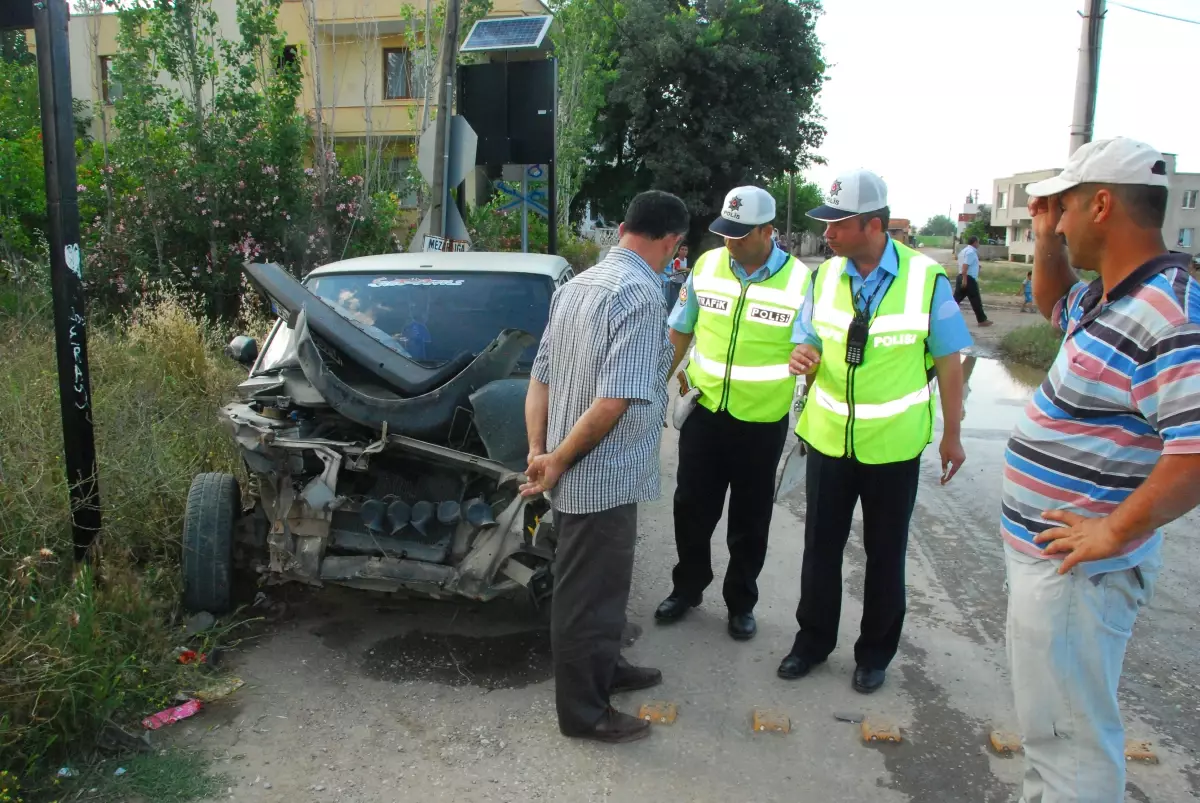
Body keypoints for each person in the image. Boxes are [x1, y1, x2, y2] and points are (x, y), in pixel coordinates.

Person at [1003, 137, 1200, 802]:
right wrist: (1042, 235)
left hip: (1079, 574)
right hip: (1052, 563)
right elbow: (1051, 303)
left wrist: (1112, 532)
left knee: (1071, 749)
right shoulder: (1107, 297)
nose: (1056, 222)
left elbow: (1196, 450)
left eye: (1064, 208)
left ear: (1103, 204)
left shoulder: (1168, 312)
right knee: (1049, 735)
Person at [778, 169, 970, 693]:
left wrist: (953, 434)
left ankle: (874, 654)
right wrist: (805, 356)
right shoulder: (824, 278)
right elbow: (808, 339)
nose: (829, 233)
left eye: (839, 224)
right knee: (820, 547)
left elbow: (950, 362)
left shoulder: (926, 279)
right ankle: (812, 643)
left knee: (886, 554)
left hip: (893, 446)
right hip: (828, 439)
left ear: (874, 224)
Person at [522, 190, 690, 744]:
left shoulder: (575, 287)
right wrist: (559, 459)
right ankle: (584, 713)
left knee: (603, 589)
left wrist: (539, 452)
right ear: (670, 243)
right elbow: (615, 401)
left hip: (571, 469)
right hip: (600, 476)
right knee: (587, 598)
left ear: (622, 228)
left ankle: (607, 669)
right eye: (675, 249)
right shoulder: (642, 294)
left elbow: (539, 377)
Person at [654, 186, 809, 641]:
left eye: (741, 235)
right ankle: (687, 588)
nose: (731, 243)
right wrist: (654, 384)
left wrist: (808, 362)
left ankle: (741, 603)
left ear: (768, 231)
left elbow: (811, 344)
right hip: (704, 412)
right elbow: (680, 330)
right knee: (691, 508)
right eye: (726, 233)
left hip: (761, 422)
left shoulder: (800, 280)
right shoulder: (707, 266)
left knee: (750, 518)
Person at [954, 235, 992, 327]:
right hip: (968, 279)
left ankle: (943, 316)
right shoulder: (971, 252)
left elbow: (964, 265)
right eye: (978, 242)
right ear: (974, 242)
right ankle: (982, 320)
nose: (979, 244)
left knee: (955, 300)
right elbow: (965, 266)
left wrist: (976, 267)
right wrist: (965, 279)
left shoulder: (963, 251)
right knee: (976, 300)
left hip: (961, 277)